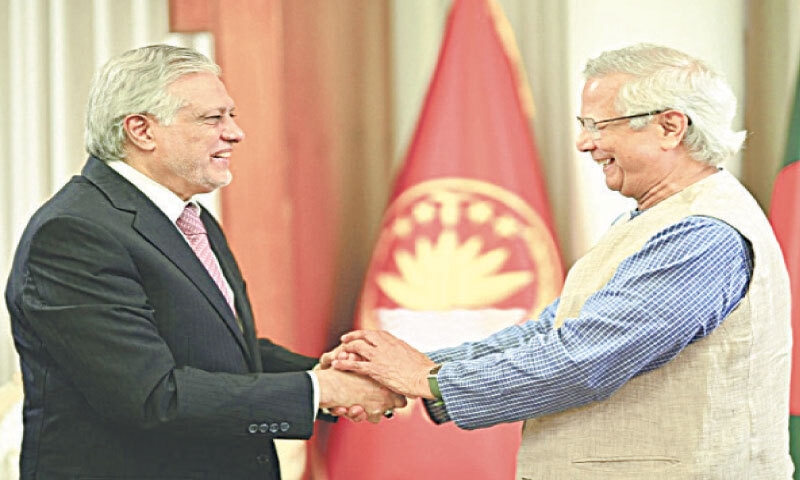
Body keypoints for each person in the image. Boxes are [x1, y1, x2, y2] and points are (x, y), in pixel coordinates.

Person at [326, 43, 793, 479]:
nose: (584, 143)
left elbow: (584, 360)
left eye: (598, 125)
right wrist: (415, 368)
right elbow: (552, 333)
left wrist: (428, 379)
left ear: (670, 127)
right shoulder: (655, 220)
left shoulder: (701, 234)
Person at [4, 44, 404, 480]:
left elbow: (222, 353)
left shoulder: (188, 216)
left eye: (230, 116)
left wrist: (322, 374)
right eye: (213, 118)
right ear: (141, 130)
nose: (235, 133)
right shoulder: (73, 234)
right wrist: (318, 389)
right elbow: (152, 396)